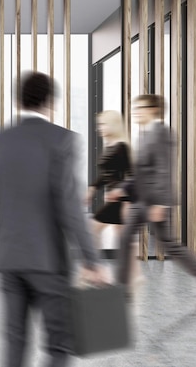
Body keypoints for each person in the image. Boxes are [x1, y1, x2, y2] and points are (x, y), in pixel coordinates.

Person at [0, 71, 108, 367]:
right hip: (49, 261)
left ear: (18, 100)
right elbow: (69, 207)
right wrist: (92, 260)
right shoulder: (62, 140)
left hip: (9, 259)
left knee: (14, 343)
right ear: (50, 101)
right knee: (58, 346)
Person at [107, 94, 196, 304]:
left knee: (170, 245)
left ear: (154, 109)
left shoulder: (163, 133)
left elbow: (165, 170)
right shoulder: (143, 135)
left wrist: (161, 203)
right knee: (125, 239)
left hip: (155, 202)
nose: (136, 111)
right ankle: (121, 290)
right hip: (140, 200)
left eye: (140, 107)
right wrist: (122, 189)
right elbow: (141, 172)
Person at [85, 111, 141, 284]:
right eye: (99, 124)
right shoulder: (110, 145)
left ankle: (93, 271)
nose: (99, 128)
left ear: (113, 125)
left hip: (119, 200)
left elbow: (132, 176)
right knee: (124, 239)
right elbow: (106, 174)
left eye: (103, 124)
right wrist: (93, 188)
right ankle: (136, 276)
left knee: (91, 229)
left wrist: (125, 200)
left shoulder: (122, 147)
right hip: (114, 198)